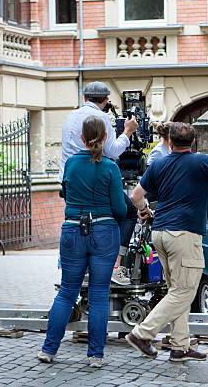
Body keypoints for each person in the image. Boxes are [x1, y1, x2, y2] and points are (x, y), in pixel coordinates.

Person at [125, 122, 208, 361]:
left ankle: (179, 346)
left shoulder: (159, 163)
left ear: (170, 142)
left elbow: (135, 196)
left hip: (160, 233)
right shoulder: (201, 161)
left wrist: (144, 211)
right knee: (184, 291)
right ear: (193, 143)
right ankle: (142, 333)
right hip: (184, 234)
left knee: (177, 291)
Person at [39, 117, 127, 368]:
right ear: (105, 137)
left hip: (73, 230)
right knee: (99, 295)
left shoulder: (71, 164)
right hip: (103, 231)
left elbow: (65, 194)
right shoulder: (111, 167)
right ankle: (95, 355)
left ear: (81, 137)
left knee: (67, 292)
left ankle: (49, 350)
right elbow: (120, 209)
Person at [59, 81, 138, 285]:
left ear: (85, 98)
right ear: (105, 101)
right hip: (94, 178)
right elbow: (112, 151)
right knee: (128, 212)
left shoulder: (70, 116)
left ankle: (78, 264)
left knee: (76, 220)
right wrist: (127, 132)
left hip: (69, 180)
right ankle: (115, 265)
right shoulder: (101, 118)